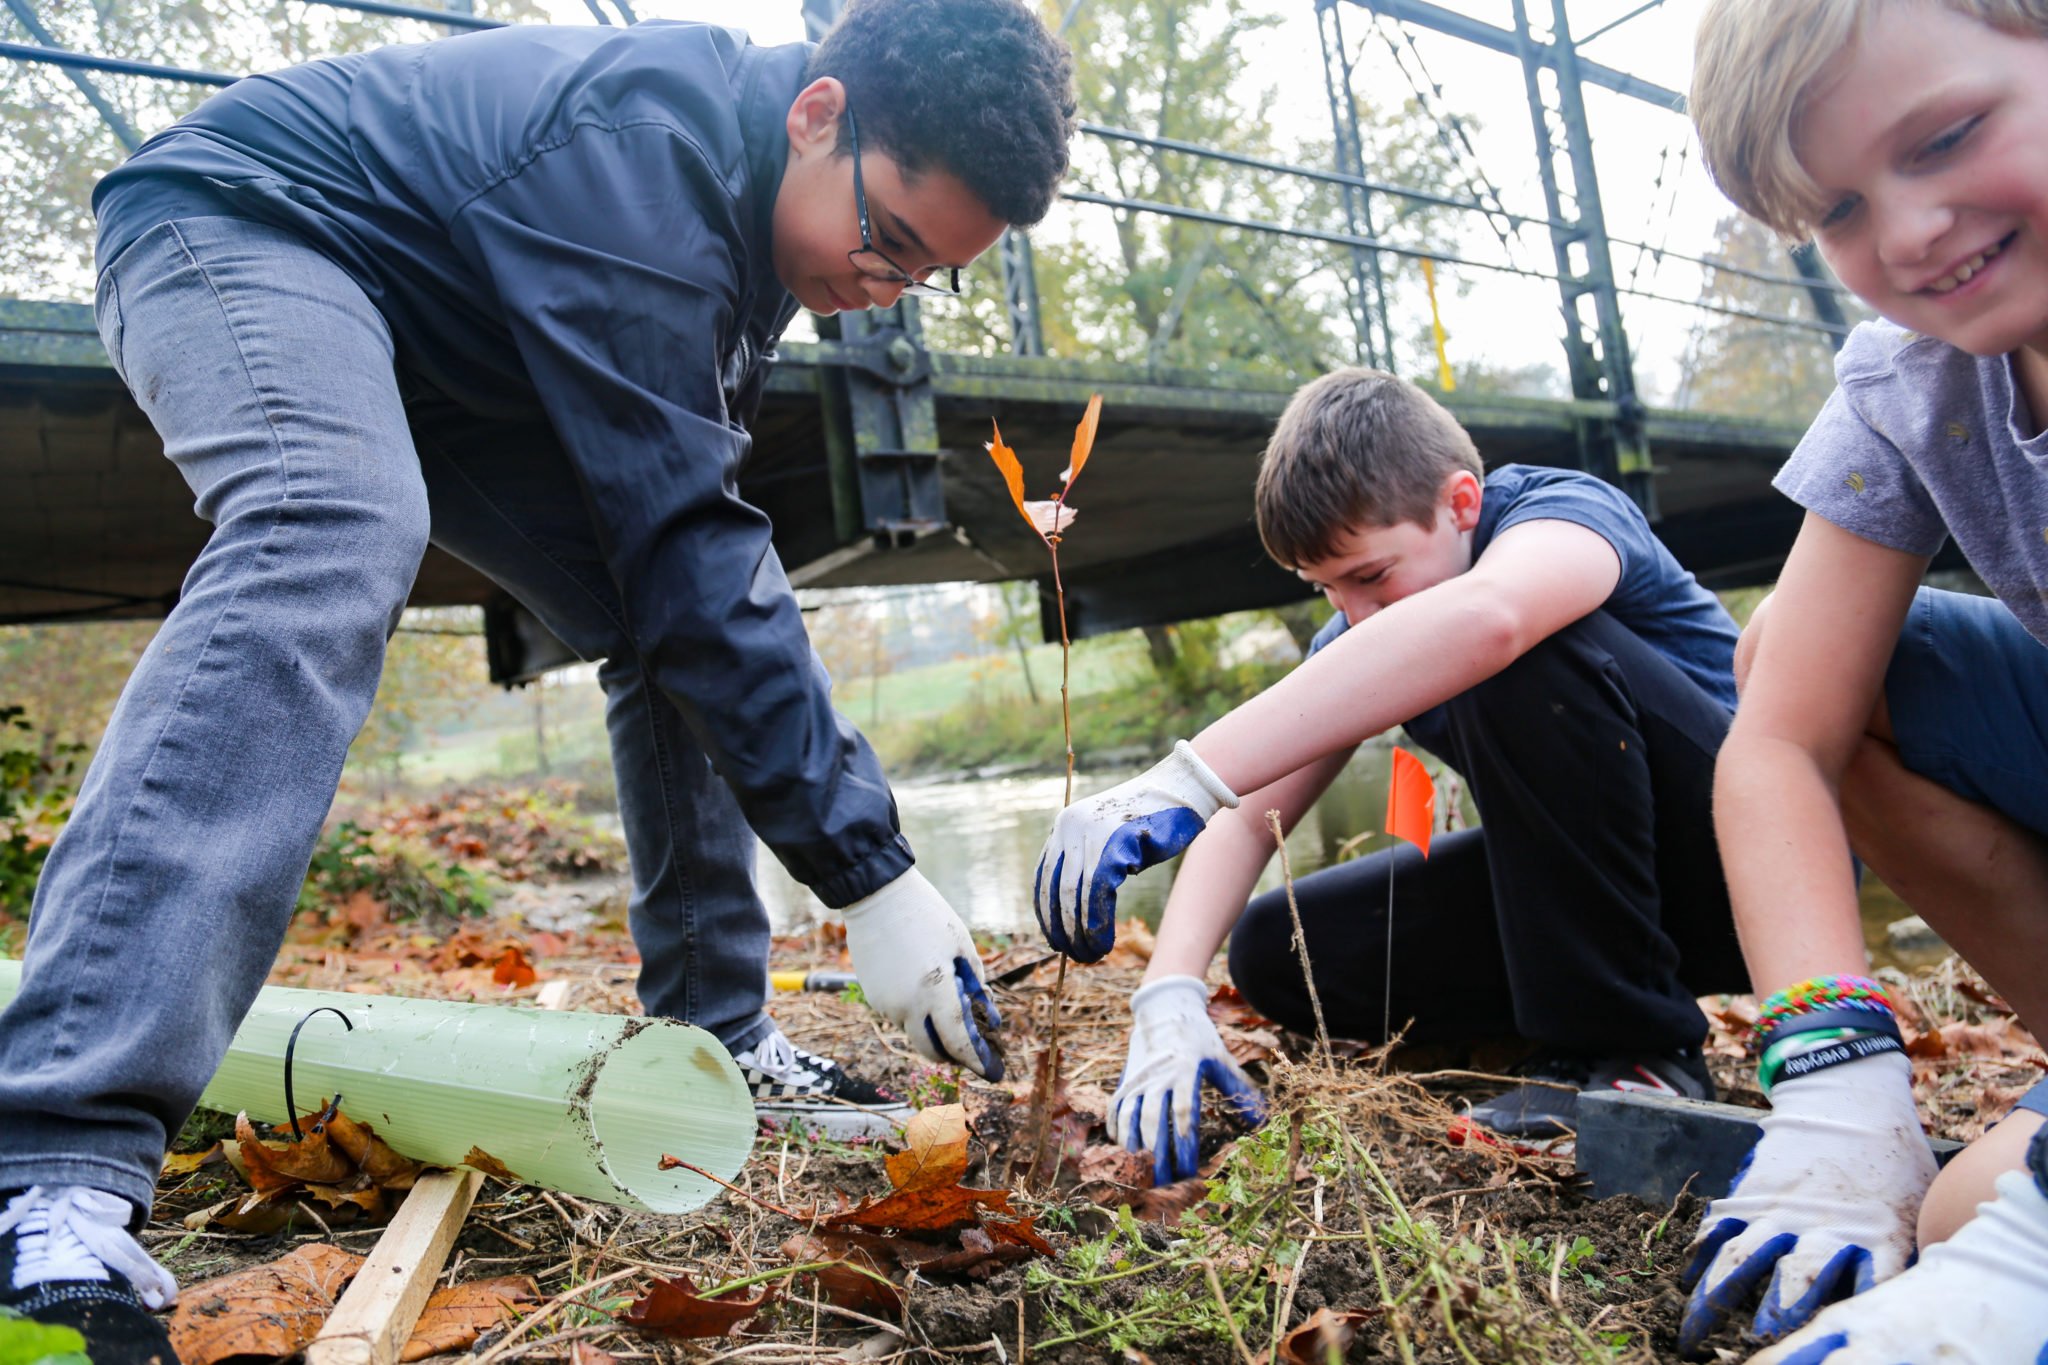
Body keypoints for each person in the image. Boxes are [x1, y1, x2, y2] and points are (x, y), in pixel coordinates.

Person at [0, 1, 1076, 1358]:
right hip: (245, 226)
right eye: (889, 240)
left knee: (659, 609)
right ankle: (51, 1154)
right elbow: (695, 537)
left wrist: (856, 852)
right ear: (819, 114)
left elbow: (691, 575)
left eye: (931, 277)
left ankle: (722, 1028)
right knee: (330, 521)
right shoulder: (649, 155)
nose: (886, 289)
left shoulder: (754, 232)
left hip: (451, 342)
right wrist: (869, 870)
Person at [1032, 367, 1750, 1186]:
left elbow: (1493, 620)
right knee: (1276, 947)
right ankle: (1559, 1023)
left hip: (1746, 869)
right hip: (1609, 899)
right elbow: (1243, 814)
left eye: (1370, 576)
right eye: (1326, 590)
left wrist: (1185, 773)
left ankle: (1635, 1050)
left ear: (1463, 504)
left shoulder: (1561, 513)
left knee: (1504, 658)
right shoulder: (1362, 625)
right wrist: (1168, 991)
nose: (1355, 613)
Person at [1673, 2, 2048, 1358]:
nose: (1907, 236)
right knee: (1799, 651)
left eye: (1948, 137)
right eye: (1837, 210)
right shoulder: (1915, 376)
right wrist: (1834, 1077)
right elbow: (1776, 741)